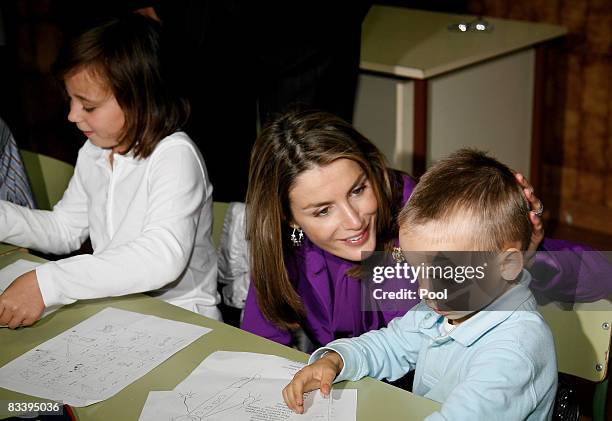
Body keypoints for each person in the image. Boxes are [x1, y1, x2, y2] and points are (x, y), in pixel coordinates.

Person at [241, 110, 611, 349]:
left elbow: (599, 275)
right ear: (288, 218)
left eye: (358, 190)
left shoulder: (425, 220)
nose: (353, 221)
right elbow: (260, 346)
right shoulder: (287, 244)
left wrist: (528, 255)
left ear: (373, 170)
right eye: (322, 211)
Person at [282, 149, 557, 420]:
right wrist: (336, 360)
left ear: (507, 266)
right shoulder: (446, 306)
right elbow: (390, 345)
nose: (426, 290)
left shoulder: (514, 352)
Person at [0, 14, 220, 329]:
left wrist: (47, 282)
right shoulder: (94, 151)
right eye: (71, 101)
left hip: (182, 320)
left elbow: (161, 257)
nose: (73, 116)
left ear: (140, 100)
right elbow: (65, 229)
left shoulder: (174, 155)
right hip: (117, 314)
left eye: (88, 106)